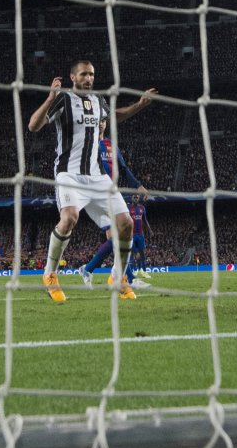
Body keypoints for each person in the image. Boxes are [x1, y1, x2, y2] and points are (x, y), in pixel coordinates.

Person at [28, 60, 157, 303]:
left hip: (97, 175)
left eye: (92, 74)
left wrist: (139, 105)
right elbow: (33, 126)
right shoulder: (63, 99)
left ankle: (118, 278)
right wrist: (49, 98)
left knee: (126, 223)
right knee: (69, 218)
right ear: (73, 77)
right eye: (84, 74)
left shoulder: (98, 101)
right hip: (69, 173)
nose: (89, 79)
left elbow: (115, 116)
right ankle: (50, 275)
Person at [77, 117, 150, 291]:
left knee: (115, 240)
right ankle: (124, 278)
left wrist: (138, 185)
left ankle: (89, 270)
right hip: (96, 194)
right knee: (122, 234)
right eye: (98, 121)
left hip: (110, 193)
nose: (101, 123)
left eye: (104, 121)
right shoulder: (86, 143)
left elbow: (123, 169)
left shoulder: (111, 144)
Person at [129, 194, 154, 279]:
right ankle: (134, 270)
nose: (136, 198)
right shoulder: (128, 208)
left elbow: (145, 220)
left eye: (137, 197)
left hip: (140, 234)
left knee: (142, 253)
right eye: (134, 197)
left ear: (139, 198)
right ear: (131, 198)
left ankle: (143, 271)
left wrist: (150, 230)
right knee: (133, 253)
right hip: (131, 234)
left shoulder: (142, 208)